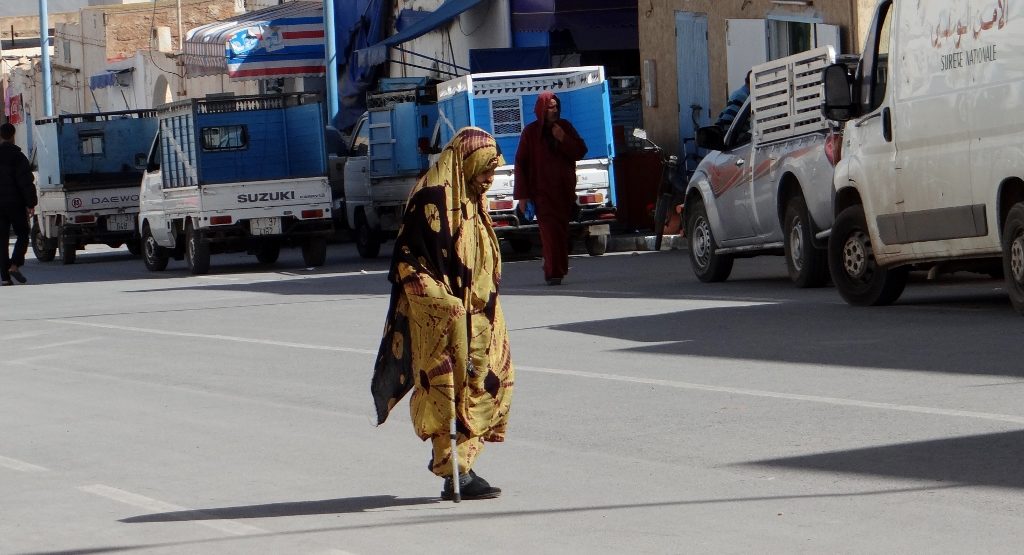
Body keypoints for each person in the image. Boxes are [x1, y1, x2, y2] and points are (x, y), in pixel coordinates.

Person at [371, 127, 514, 501]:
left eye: (491, 173)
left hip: (479, 314)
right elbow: (408, 262)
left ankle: (461, 468)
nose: (488, 180)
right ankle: (455, 472)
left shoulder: (468, 194)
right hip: (443, 316)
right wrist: (445, 305)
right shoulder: (432, 198)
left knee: (489, 379)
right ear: (467, 163)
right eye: (485, 171)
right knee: (446, 388)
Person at [514, 92, 588, 285]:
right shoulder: (530, 133)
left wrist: (563, 138)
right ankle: (552, 272)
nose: (554, 110)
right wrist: (523, 196)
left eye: (556, 107)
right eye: (550, 107)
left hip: (564, 193)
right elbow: (521, 163)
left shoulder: (565, 128)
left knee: (561, 234)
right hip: (542, 194)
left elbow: (580, 151)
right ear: (541, 109)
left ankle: (559, 269)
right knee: (550, 234)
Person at [0, 123, 37, 286]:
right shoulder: (18, 157)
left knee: (1, 240)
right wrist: (31, 203)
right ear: (13, 136)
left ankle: (5, 278)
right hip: (15, 203)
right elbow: (26, 182)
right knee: (22, 233)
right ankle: (14, 265)